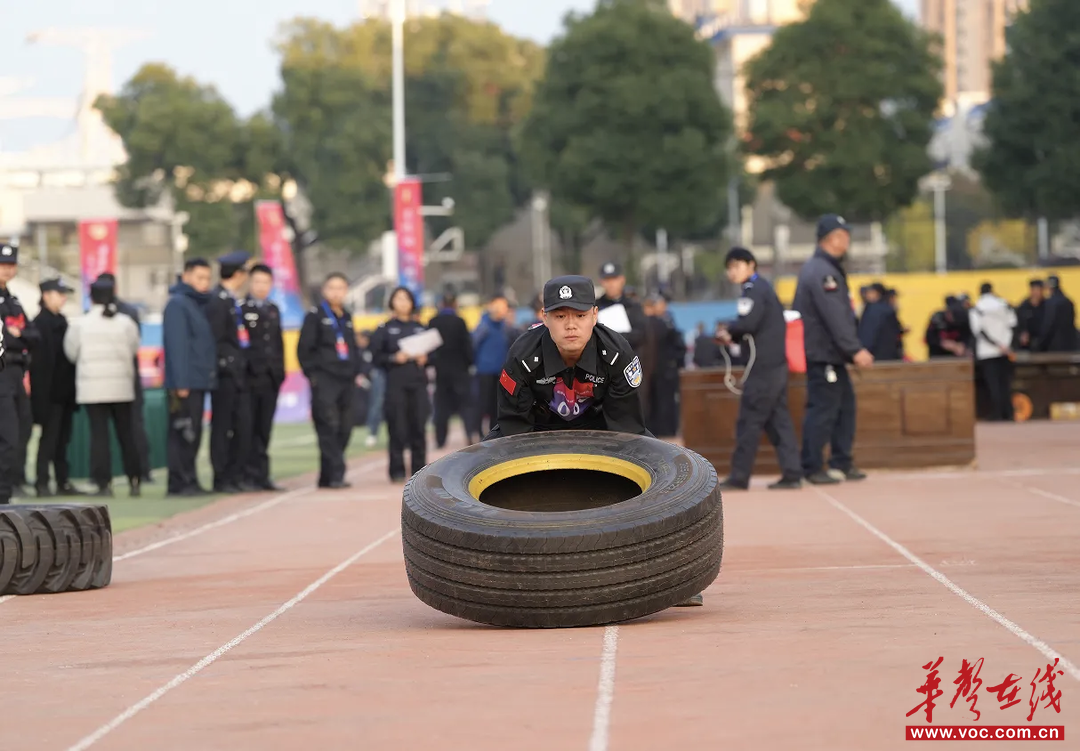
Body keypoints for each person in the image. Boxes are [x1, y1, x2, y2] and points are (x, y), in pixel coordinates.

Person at [489, 274, 704, 608]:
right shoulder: (522, 355)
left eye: (578, 315)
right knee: (486, 467)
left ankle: (676, 576)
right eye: (560, 317)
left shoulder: (617, 354)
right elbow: (514, 431)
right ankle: (496, 578)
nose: (570, 325)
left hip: (604, 427)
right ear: (544, 318)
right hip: (537, 430)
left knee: (665, 472)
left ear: (594, 315)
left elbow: (628, 432)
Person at [792, 215, 874, 485]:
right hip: (823, 354)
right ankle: (813, 466)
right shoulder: (822, 272)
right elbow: (835, 315)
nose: (847, 240)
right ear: (831, 238)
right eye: (843, 235)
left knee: (844, 408)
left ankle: (842, 461)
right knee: (823, 410)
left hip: (831, 355)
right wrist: (854, 349)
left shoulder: (825, 267)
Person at [715, 247, 802, 490]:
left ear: (751, 265)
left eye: (737, 266)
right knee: (778, 420)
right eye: (730, 268)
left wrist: (728, 330)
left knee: (749, 421)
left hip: (762, 368)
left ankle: (739, 477)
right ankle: (793, 473)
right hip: (774, 366)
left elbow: (748, 323)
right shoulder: (761, 288)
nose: (732, 271)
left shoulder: (754, 290)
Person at [63, 278, 143, 497]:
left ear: (91, 296)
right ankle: (134, 479)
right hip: (121, 387)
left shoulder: (81, 324)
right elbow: (134, 348)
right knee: (126, 435)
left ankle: (103, 483)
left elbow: (71, 353)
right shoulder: (126, 322)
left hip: (92, 388)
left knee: (99, 437)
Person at [297, 272, 362, 489]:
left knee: (345, 427)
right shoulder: (314, 316)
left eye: (341, 288)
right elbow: (304, 349)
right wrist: (313, 376)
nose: (336, 292)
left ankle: (327, 475)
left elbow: (353, 347)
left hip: (346, 380)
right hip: (325, 379)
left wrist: (357, 370)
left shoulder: (347, 317)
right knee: (327, 426)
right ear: (324, 290)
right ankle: (335, 474)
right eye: (332, 287)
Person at [162, 258, 217, 497]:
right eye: (199, 277)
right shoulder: (178, 304)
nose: (204, 283)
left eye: (207, 278)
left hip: (199, 380)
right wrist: (181, 382)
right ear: (186, 276)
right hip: (185, 383)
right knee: (182, 432)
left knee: (194, 432)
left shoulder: (197, 304)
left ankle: (190, 478)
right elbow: (177, 346)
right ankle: (179, 481)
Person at [369, 286, 431, 483]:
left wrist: (426, 359)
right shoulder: (384, 328)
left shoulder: (421, 328)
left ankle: (419, 471)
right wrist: (394, 357)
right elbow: (376, 357)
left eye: (406, 299)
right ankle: (396, 471)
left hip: (418, 384)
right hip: (395, 384)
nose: (403, 302)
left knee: (419, 427)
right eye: (398, 299)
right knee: (397, 428)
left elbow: (436, 356)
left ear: (412, 303)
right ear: (392, 303)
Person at [96, 272, 153, 484]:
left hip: (107, 381)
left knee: (124, 430)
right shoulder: (127, 313)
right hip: (125, 379)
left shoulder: (100, 315)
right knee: (131, 429)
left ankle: (106, 479)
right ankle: (139, 474)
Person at [206, 251, 255, 493]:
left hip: (238, 372)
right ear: (239, 274)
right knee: (223, 426)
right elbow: (215, 339)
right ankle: (222, 476)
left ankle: (236, 474)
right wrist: (225, 363)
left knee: (242, 425)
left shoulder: (232, 299)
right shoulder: (218, 300)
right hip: (225, 374)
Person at [29, 278, 82, 497]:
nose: (63, 298)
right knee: (49, 439)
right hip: (49, 394)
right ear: (46, 295)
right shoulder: (39, 324)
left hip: (64, 392)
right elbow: (41, 367)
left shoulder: (61, 321)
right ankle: (42, 482)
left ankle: (62, 480)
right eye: (59, 294)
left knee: (62, 440)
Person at [0, 240, 40, 504]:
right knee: (7, 436)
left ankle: (10, 488)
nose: (7, 270)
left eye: (11, 265)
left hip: (17, 373)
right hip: (3, 371)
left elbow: (33, 335)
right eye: (3, 265)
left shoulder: (12, 299)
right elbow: (7, 338)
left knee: (21, 432)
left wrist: (19, 335)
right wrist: (16, 336)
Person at [241, 263, 286, 491]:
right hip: (250, 379)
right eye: (257, 282)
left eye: (265, 282)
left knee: (264, 429)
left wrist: (280, 372)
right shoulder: (241, 309)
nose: (261, 287)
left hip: (270, 378)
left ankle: (262, 475)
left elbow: (278, 344)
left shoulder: (273, 309)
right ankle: (248, 474)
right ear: (250, 283)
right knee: (248, 427)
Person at [427, 290, 477, 448]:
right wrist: (469, 363)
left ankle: (440, 440)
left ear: (441, 304)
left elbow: (429, 346)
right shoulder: (460, 322)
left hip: (441, 370)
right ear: (455, 304)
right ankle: (470, 435)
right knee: (465, 406)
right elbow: (467, 347)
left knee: (441, 406)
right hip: (460, 370)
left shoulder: (433, 321)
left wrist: (432, 363)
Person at [969, 282, 1018, 422]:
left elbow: (979, 331)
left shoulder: (977, 308)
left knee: (993, 384)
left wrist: (995, 345)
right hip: (1005, 350)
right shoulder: (1004, 305)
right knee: (1005, 383)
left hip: (987, 352)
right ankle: (1008, 413)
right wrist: (1006, 345)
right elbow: (1013, 325)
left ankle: (997, 413)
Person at [597, 261, 648, 350]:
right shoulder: (595, 306)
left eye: (614, 279)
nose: (611, 284)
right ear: (601, 282)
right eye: (607, 280)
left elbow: (641, 335)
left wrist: (613, 337)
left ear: (622, 280)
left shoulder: (633, 306)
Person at [1036, 275, 1078, 352]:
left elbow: (1048, 324)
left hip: (1054, 347)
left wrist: (1039, 344)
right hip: (1070, 345)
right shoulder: (1068, 302)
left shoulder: (1051, 303)